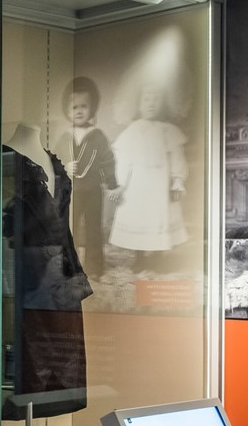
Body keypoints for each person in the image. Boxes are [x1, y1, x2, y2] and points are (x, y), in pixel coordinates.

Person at [107, 82, 188, 266]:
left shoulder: (168, 130)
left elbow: (177, 157)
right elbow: (123, 160)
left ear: (163, 103)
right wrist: (120, 184)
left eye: (156, 99)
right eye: (146, 99)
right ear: (139, 103)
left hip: (160, 184)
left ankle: (158, 257)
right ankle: (140, 257)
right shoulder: (132, 131)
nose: (151, 103)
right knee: (139, 217)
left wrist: (177, 180)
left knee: (159, 218)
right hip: (138, 184)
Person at [55, 76, 116, 277]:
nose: (79, 111)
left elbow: (107, 160)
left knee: (93, 229)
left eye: (84, 106)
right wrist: (64, 166)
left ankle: (95, 267)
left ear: (92, 108)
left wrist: (112, 184)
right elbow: (53, 161)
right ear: (67, 110)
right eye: (74, 107)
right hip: (71, 192)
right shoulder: (65, 136)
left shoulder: (97, 135)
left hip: (93, 191)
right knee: (68, 227)